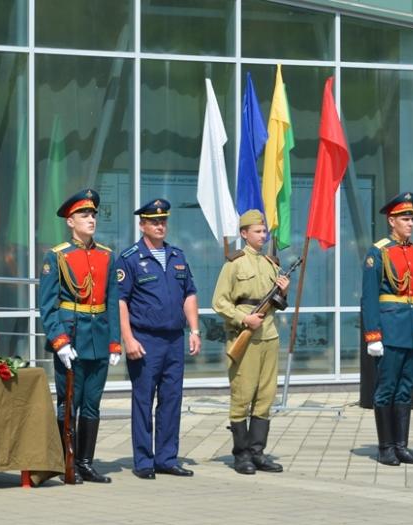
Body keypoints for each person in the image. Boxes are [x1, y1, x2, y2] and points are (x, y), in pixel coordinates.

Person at [39, 188, 122, 484]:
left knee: (92, 403)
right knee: (68, 402)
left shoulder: (107, 256)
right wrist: (59, 342)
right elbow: (47, 306)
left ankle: (86, 462)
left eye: (93, 215)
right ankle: (66, 460)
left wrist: (115, 342)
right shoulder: (57, 256)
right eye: (84, 215)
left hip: (98, 337)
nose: (91, 219)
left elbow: (112, 302)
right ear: (70, 221)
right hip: (71, 339)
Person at [116, 199, 200, 479]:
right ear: (142, 225)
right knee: (143, 400)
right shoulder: (129, 258)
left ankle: (167, 458)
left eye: (163, 221)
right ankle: (143, 460)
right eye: (154, 221)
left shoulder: (177, 256)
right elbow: (121, 301)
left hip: (174, 339)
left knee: (171, 399)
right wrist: (127, 338)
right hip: (145, 339)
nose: (160, 225)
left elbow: (189, 293)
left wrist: (195, 330)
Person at [212, 210, 289, 475]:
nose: (263, 235)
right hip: (244, 336)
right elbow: (219, 302)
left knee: (265, 396)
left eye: (264, 231)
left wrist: (283, 292)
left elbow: (276, 305)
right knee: (242, 395)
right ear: (244, 234)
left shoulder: (271, 264)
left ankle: (257, 452)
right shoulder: (234, 263)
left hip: (269, 336)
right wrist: (244, 319)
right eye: (257, 231)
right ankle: (241, 454)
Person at [361, 192, 413, 466]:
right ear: (392, 221)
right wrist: (373, 335)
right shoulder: (378, 252)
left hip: (412, 329)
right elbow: (369, 296)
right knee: (386, 388)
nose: (410, 222)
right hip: (389, 330)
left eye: (412, 218)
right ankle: (385, 447)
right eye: (405, 218)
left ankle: (401, 446)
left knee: (406, 389)